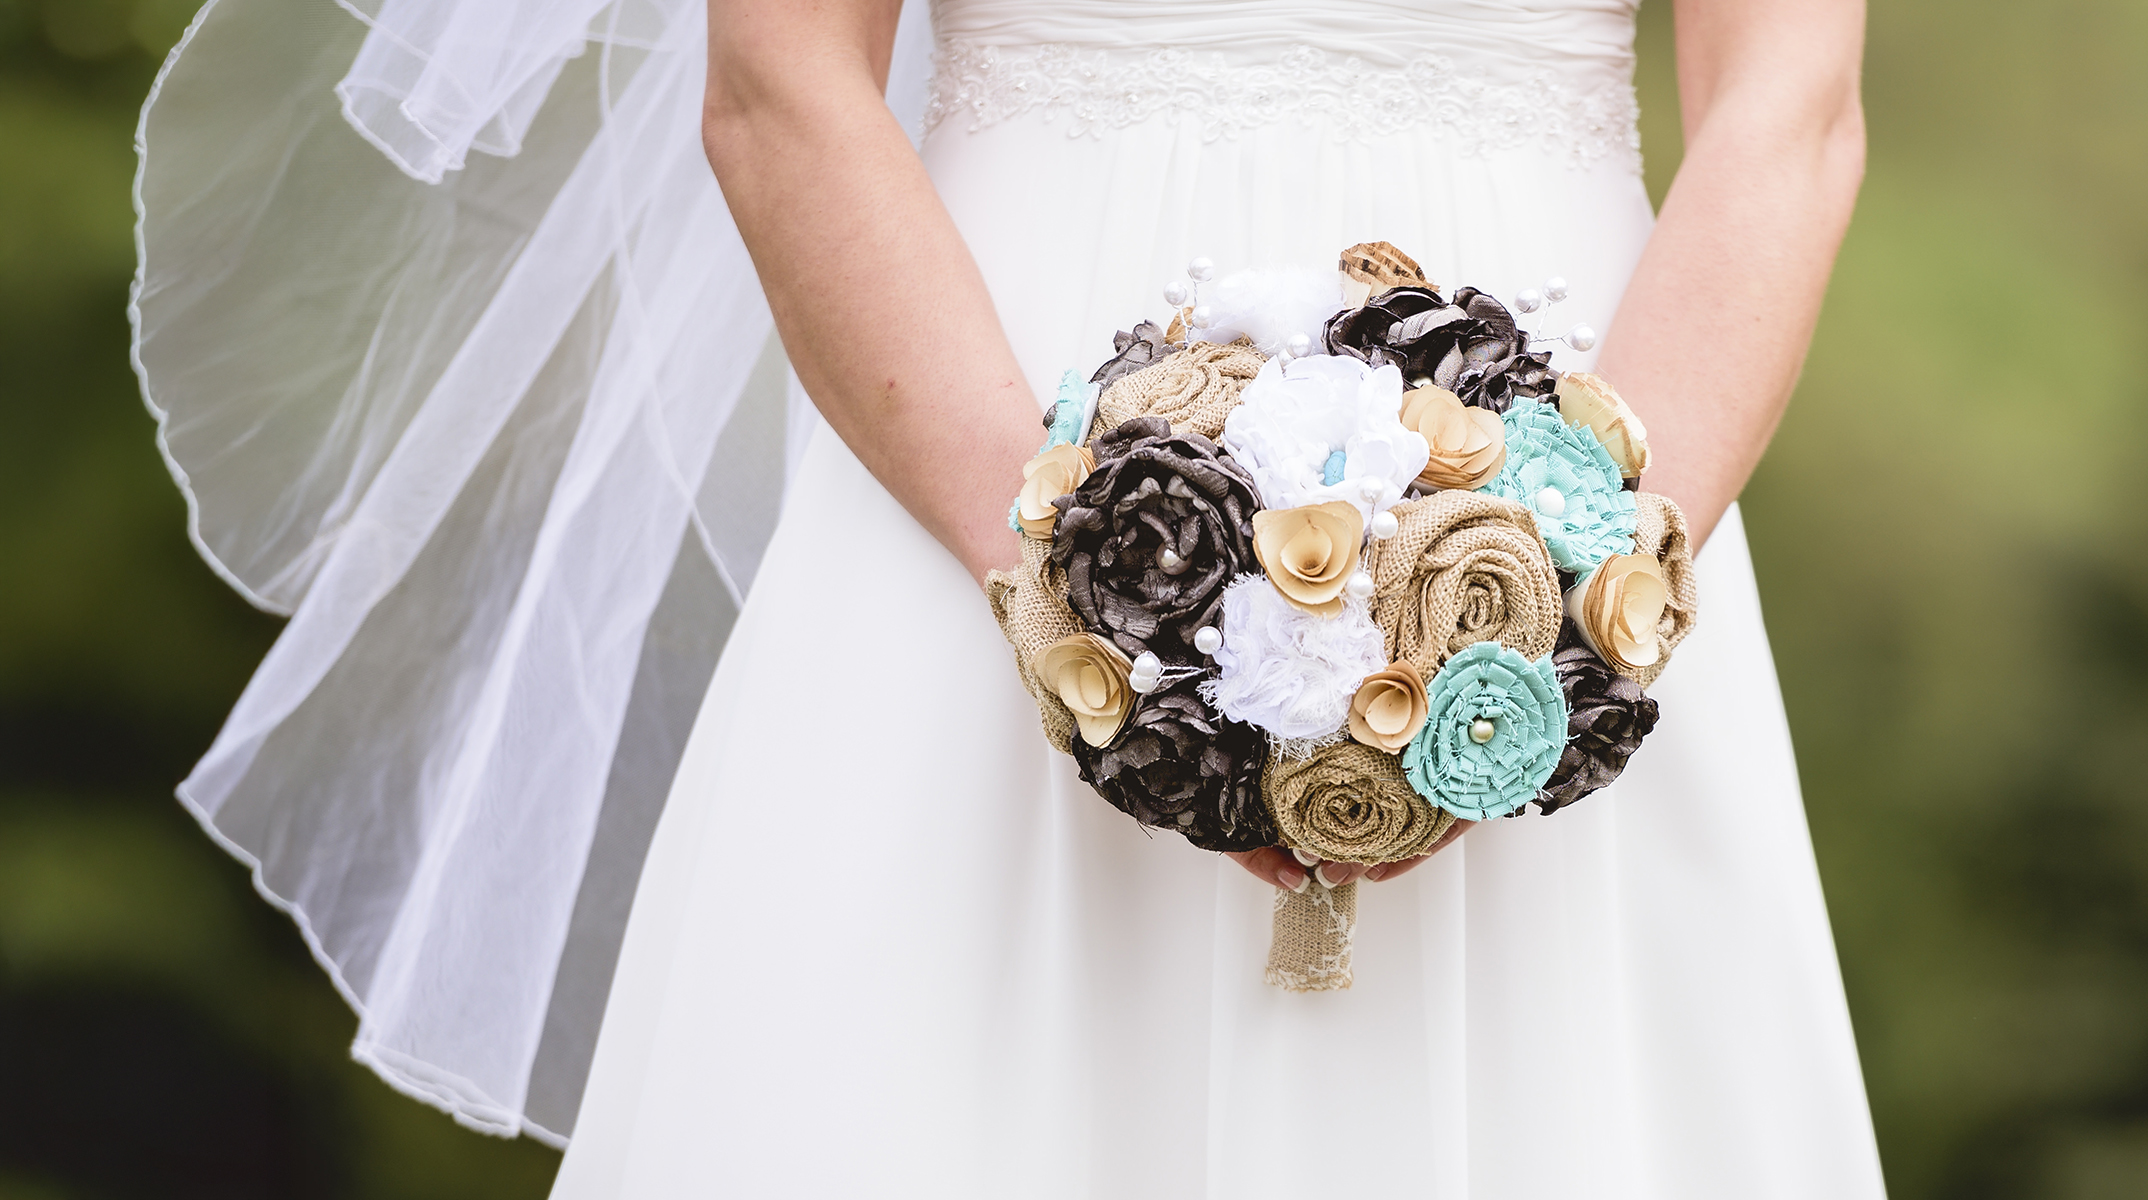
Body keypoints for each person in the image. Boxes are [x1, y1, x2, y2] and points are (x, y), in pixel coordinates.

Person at [135, 0, 1879, 1193]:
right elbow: (779, 84)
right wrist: (1074, 591)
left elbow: (1787, 111)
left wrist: (1565, 603)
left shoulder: (1567, 571)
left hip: (1566, 455)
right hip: (979, 461)